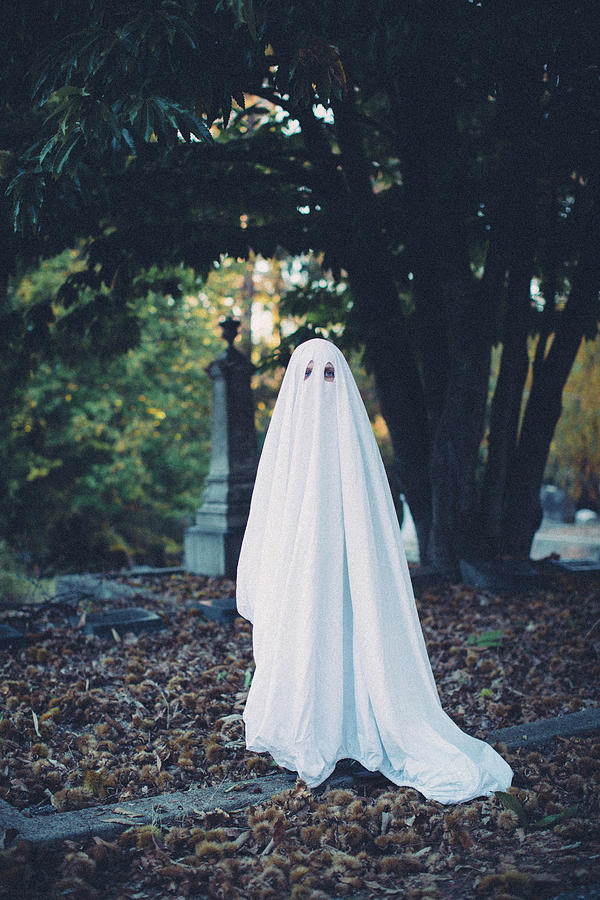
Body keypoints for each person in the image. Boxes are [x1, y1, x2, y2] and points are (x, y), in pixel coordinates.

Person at [236, 338, 512, 803]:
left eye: (329, 375)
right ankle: (311, 734)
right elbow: (267, 518)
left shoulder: (355, 451)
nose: (318, 386)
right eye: (307, 374)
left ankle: (361, 731)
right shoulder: (286, 448)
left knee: (352, 636)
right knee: (306, 632)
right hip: (297, 576)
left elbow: (375, 536)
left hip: (351, 576)